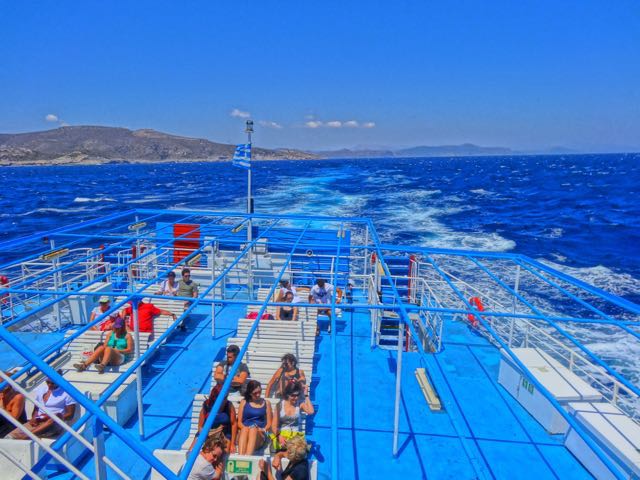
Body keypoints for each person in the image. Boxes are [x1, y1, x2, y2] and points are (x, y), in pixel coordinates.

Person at [8, 373, 77, 439]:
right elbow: (36, 407)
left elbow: (70, 415)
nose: (49, 385)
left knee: (56, 416)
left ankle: (26, 437)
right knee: (11, 435)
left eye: (53, 383)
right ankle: (29, 434)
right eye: (47, 382)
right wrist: (33, 418)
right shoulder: (41, 390)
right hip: (39, 420)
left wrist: (50, 416)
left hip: (54, 423)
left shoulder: (67, 393)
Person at [188, 384, 237, 454]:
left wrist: (233, 443)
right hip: (207, 432)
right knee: (191, 452)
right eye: (224, 398)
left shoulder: (229, 405)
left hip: (223, 433)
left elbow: (234, 424)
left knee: (222, 454)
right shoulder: (207, 405)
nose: (226, 399)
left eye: (226, 397)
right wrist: (206, 435)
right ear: (216, 397)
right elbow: (200, 426)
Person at [272, 383, 313, 451]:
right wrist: (279, 436)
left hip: (295, 436)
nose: (296, 398)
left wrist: (306, 395)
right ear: (287, 395)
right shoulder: (279, 405)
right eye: (293, 395)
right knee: (294, 447)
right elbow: (273, 426)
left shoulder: (300, 404)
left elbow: (311, 411)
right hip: (283, 434)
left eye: (297, 395)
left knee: (295, 446)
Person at [237, 380, 272, 455]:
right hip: (245, 432)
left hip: (259, 433)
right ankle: (241, 458)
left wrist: (262, 429)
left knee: (253, 430)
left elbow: (269, 423)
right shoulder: (244, 402)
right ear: (250, 393)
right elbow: (239, 422)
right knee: (246, 429)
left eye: (259, 392)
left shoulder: (266, 403)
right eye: (255, 393)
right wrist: (248, 428)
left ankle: (246, 459)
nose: (258, 395)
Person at [0, 371, 26, 437]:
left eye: (3, 383)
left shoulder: (18, 397)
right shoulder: (1, 394)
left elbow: (14, 418)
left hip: (14, 424)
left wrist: (2, 408)